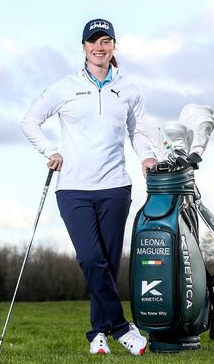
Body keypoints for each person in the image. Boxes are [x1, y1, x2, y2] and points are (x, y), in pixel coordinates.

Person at [21, 18, 157, 356]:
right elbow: (29, 121)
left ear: (114, 46)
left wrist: (146, 157)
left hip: (115, 186)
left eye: (106, 41)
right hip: (73, 189)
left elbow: (137, 130)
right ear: (83, 47)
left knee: (109, 263)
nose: (100, 46)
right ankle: (123, 329)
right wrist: (50, 151)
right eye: (93, 41)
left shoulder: (129, 89)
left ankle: (98, 333)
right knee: (90, 258)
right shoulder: (64, 87)